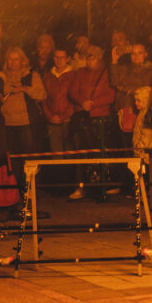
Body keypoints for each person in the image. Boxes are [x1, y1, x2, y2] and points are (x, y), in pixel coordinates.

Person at [66, 46, 116, 200]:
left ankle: (104, 186)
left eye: (92, 57)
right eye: (87, 57)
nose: (88, 60)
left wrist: (93, 103)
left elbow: (111, 95)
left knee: (101, 153)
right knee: (82, 153)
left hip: (101, 119)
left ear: (99, 59)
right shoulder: (80, 73)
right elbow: (72, 91)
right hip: (83, 119)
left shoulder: (107, 74)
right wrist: (83, 102)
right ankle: (82, 187)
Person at [0, 47, 47, 186]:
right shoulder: (0, 77)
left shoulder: (31, 75)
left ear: (22, 60)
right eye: (10, 59)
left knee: (28, 156)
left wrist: (24, 88)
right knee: (12, 158)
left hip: (26, 122)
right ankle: (16, 188)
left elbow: (42, 94)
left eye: (16, 59)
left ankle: (31, 187)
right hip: (7, 123)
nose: (13, 62)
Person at [42, 48, 75, 154]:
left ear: (68, 59)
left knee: (70, 150)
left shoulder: (74, 75)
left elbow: (75, 98)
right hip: (52, 120)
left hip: (69, 119)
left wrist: (64, 116)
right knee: (55, 151)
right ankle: (58, 171)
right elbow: (44, 99)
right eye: (57, 57)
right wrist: (50, 115)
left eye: (62, 57)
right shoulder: (47, 77)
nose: (59, 60)